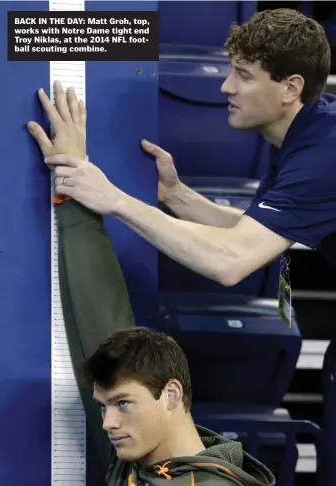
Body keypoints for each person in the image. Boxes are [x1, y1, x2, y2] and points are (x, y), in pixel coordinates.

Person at [27, 7, 336, 484]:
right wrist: (179, 199)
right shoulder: (306, 136)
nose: (226, 88)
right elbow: (254, 233)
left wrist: (114, 200)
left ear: (290, 88)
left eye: (244, 76)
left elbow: (231, 261)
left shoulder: (322, 153)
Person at [43, 90, 275, 486]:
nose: (108, 423)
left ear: (171, 395)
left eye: (121, 405)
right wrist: (73, 180)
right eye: (104, 408)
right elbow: (100, 315)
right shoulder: (143, 459)